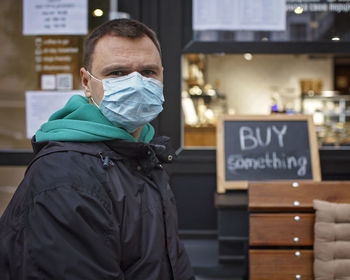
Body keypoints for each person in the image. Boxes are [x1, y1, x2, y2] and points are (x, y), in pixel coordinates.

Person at [0, 19, 194, 280]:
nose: (136, 83)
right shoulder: (66, 176)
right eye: (117, 73)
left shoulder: (143, 154)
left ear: (162, 75)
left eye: (148, 72)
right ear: (86, 82)